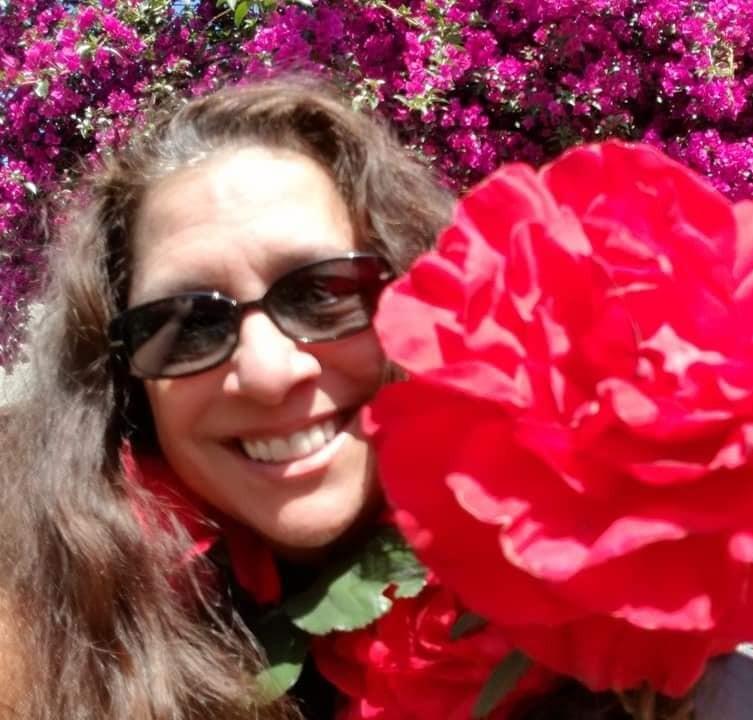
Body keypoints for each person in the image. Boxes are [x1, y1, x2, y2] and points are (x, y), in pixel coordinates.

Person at [0, 76, 452, 720]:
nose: (268, 373)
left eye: (322, 292)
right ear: (127, 386)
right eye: (188, 325)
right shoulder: (42, 658)